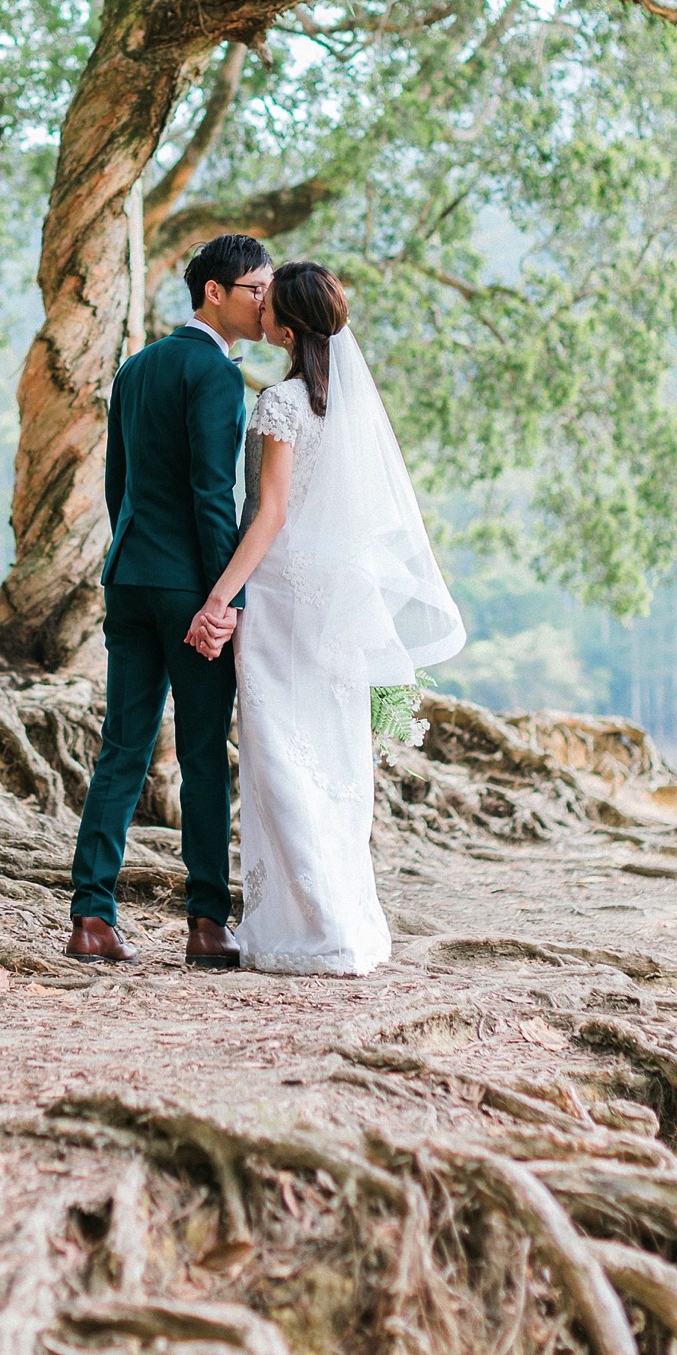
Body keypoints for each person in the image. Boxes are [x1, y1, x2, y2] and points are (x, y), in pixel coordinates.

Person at [187, 262, 464, 975]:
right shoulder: (349, 407)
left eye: (268, 304)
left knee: (279, 755)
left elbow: (270, 515)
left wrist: (220, 598)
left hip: (282, 600)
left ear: (284, 325)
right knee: (335, 761)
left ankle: (311, 929)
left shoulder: (281, 403)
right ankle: (340, 922)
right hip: (342, 601)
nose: (261, 313)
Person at [66, 233, 273, 967]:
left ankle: (91, 916)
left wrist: (135, 553)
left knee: (120, 748)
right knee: (201, 757)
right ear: (213, 292)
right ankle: (206, 923)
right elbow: (214, 497)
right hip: (191, 591)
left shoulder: (137, 365)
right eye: (255, 288)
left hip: (128, 578)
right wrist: (226, 599)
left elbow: (117, 485)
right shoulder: (215, 375)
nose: (264, 301)